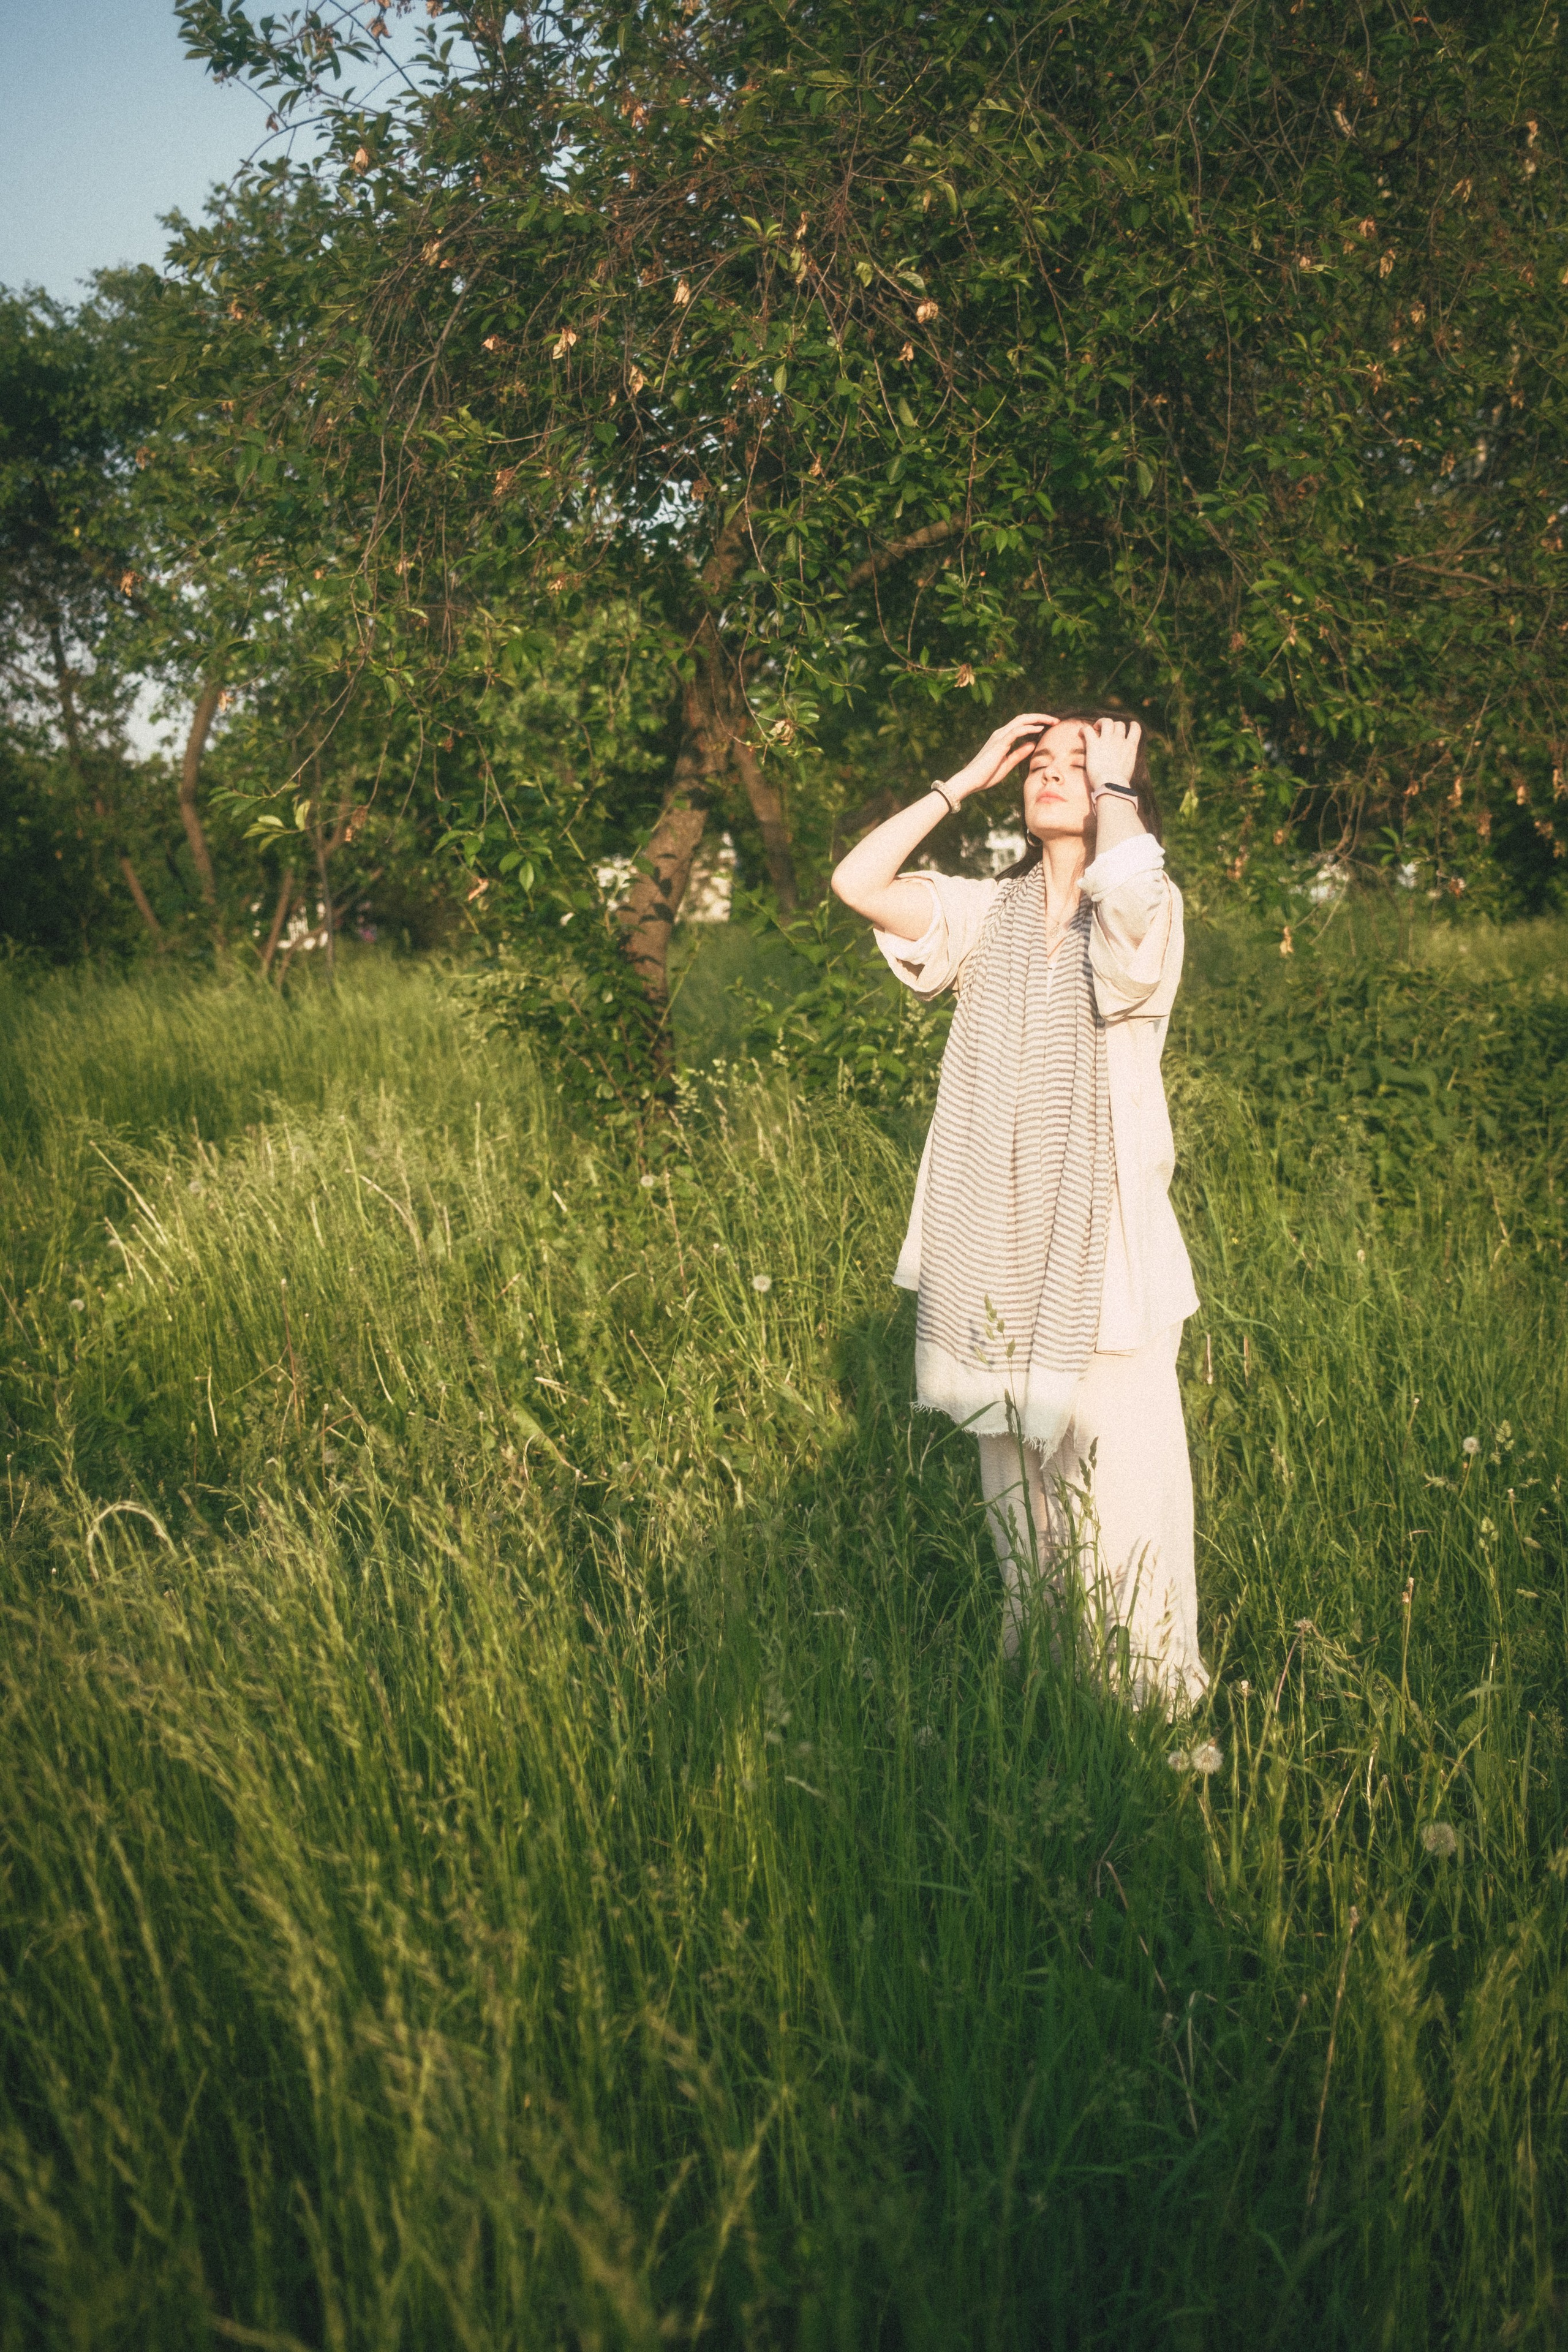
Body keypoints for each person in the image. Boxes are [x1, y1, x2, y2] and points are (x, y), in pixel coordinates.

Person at [830, 709, 1208, 1708]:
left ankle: (1150, 1712)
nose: (1051, 774)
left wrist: (1117, 792)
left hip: (1103, 1257)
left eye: (1078, 763)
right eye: (1039, 763)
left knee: (1121, 1502)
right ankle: (1043, 1696)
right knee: (1020, 1510)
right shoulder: (980, 914)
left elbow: (1128, 911)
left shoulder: (1143, 906)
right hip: (995, 1248)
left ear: (1121, 787)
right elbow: (856, 884)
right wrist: (967, 775)